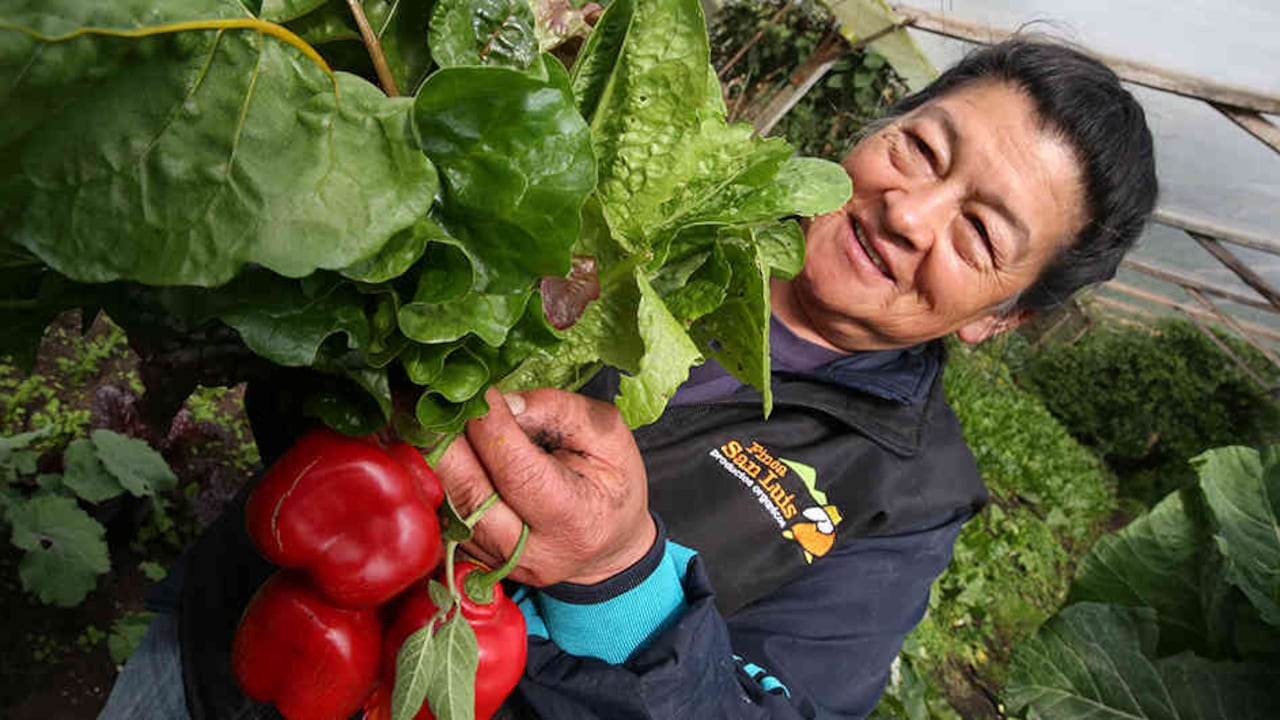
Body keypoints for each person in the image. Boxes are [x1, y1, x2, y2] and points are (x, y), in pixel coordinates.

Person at [98, 38, 1156, 720]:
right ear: (874, 129)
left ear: (1002, 317)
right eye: (921, 148)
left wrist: (618, 579)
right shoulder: (642, 203)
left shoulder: (908, 496)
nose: (909, 214)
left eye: (980, 235)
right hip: (230, 639)